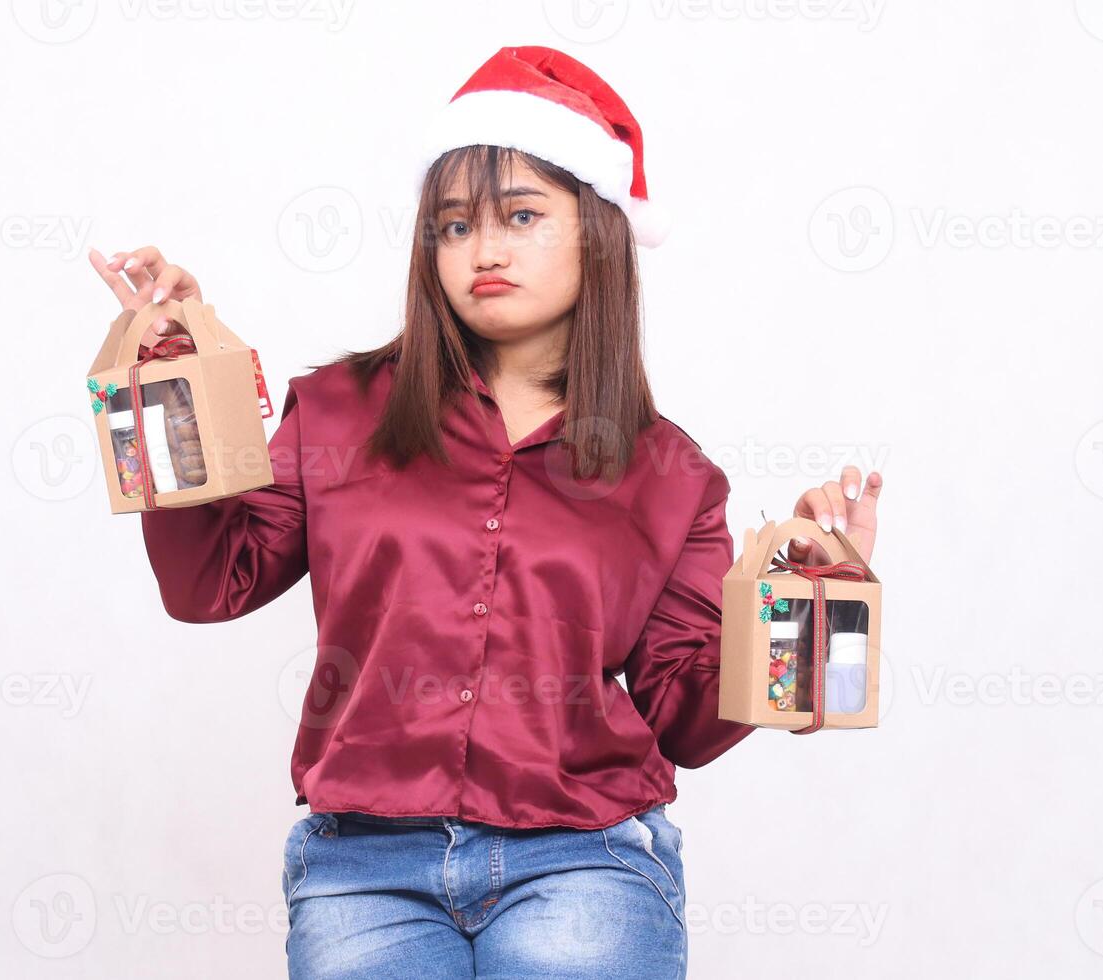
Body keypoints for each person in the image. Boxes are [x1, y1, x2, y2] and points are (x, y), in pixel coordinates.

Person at [87, 44, 884, 980]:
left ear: (597, 232)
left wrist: (801, 600)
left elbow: (688, 722)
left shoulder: (672, 476)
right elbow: (206, 584)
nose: (484, 249)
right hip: (364, 867)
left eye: (521, 216)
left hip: (584, 860)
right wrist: (178, 382)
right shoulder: (338, 412)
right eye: (455, 225)